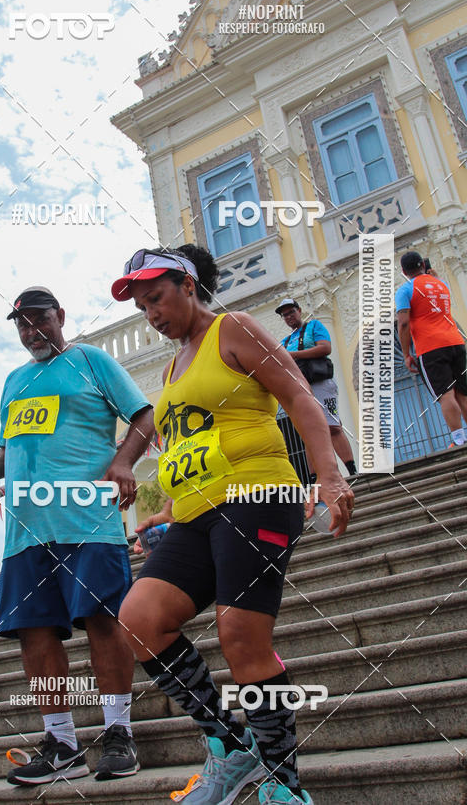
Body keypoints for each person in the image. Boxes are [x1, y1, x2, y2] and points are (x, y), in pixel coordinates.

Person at [111, 247, 354, 805]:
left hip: (257, 495)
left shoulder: (234, 328)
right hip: (195, 512)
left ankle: (284, 785)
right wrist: (165, 512)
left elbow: (299, 396)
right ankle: (230, 746)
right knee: (139, 619)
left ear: (188, 285)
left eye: (156, 298)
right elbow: (190, 447)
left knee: (241, 634)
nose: (151, 314)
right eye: (142, 307)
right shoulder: (171, 368)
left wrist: (328, 475)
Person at [0, 286, 154, 786]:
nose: (32, 331)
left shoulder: (92, 361)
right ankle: (62, 743)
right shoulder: (14, 380)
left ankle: (118, 733)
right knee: (34, 633)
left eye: (40, 320)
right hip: (26, 530)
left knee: (102, 620)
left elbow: (144, 415)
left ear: (61, 316)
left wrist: (122, 462)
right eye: (22, 324)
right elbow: (11, 442)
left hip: (86, 520)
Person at [276, 298, 357, 482]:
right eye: (285, 315)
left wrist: (294, 355)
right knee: (308, 433)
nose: (289, 317)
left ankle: (351, 470)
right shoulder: (285, 342)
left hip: (321, 383)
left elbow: (325, 348)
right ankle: (314, 478)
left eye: (291, 312)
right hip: (300, 388)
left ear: (299, 311)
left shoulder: (314, 326)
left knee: (333, 426)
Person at [396, 250, 467, 446]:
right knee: (463, 393)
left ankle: (459, 439)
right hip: (455, 342)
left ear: (404, 271)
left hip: (430, 347)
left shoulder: (405, 290)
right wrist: (434, 278)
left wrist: (406, 354)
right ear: (422, 265)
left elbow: (403, 323)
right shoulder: (441, 284)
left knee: (446, 394)